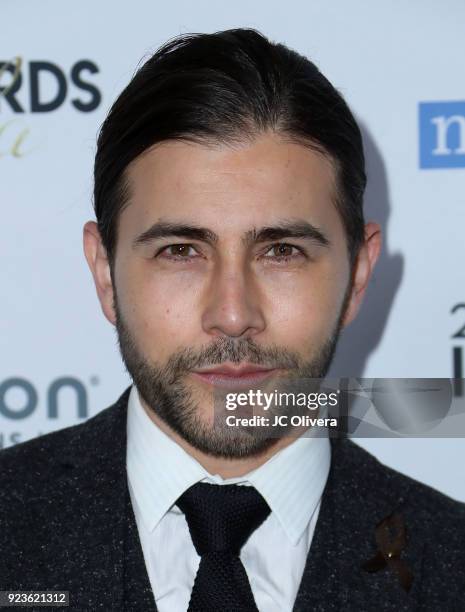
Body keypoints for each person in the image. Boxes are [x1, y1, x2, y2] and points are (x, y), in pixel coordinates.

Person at [0, 28, 464, 612]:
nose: (233, 315)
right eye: (180, 251)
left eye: (282, 252)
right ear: (104, 272)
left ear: (359, 275)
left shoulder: (451, 563)